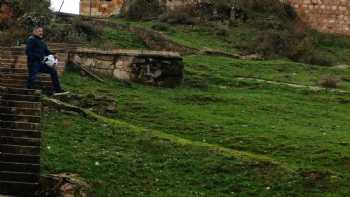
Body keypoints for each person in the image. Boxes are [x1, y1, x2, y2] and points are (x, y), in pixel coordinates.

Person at [25, 26, 67, 95]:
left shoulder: (42, 42)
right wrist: (38, 58)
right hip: (33, 63)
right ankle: (30, 91)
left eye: (41, 31)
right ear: (34, 32)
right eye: (39, 31)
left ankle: (58, 90)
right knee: (32, 76)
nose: (41, 33)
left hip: (41, 63)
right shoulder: (31, 39)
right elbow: (28, 52)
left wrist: (53, 55)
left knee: (53, 71)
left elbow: (47, 52)